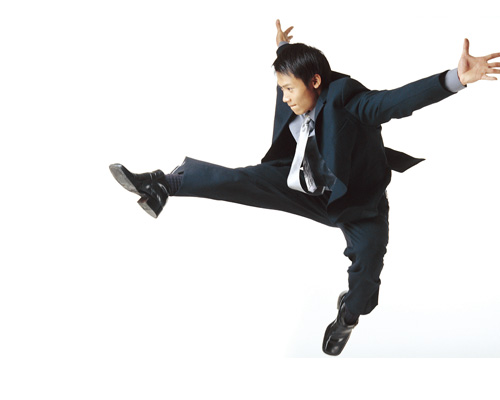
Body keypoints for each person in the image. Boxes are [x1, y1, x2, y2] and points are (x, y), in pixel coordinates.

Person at [109, 20, 500, 356]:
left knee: (366, 277)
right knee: (243, 180)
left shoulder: (349, 101)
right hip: (302, 182)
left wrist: (455, 79)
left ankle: (348, 316)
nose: (285, 98)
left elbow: (395, 102)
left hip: (357, 202)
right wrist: (283, 48)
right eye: (280, 89)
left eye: (289, 90)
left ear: (315, 82)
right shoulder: (299, 82)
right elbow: (291, 66)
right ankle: (163, 184)